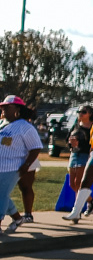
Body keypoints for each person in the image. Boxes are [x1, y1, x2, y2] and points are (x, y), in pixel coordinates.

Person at [1, 96, 43, 233]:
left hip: (12, 167)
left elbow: (36, 147)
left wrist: (27, 165)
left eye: (7, 107)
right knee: (2, 194)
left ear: (17, 109)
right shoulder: (4, 124)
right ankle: (18, 218)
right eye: (2, 107)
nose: (3, 109)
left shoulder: (26, 127)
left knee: (1, 194)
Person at [66, 105, 93, 208]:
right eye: (79, 112)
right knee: (72, 184)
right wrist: (71, 144)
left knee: (79, 183)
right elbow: (68, 138)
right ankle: (91, 201)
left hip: (85, 155)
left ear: (90, 114)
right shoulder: (76, 125)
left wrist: (80, 145)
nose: (80, 114)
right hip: (74, 154)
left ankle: (77, 209)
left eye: (83, 112)